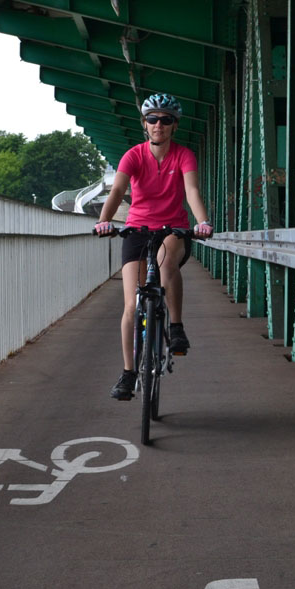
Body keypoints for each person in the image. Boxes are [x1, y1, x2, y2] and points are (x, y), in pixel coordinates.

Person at [94, 93, 213, 400]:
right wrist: (104, 221)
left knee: (165, 260)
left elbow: (192, 190)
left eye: (166, 120)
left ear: (175, 125)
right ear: (144, 124)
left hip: (172, 228)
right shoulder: (133, 155)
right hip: (137, 229)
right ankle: (128, 372)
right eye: (153, 119)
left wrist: (202, 221)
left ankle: (176, 327)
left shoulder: (184, 155)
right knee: (131, 306)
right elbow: (117, 190)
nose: (159, 125)